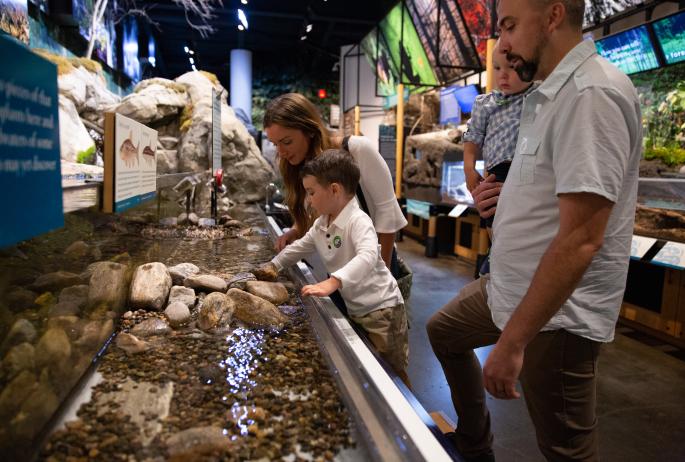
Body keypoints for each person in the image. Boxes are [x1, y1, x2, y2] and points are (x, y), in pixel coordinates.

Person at [426, 0, 642, 461]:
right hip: (507, 285)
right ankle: (474, 444)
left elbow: (582, 237)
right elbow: (546, 189)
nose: (501, 44)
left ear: (552, 16)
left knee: (566, 448)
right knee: (444, 332)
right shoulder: (546, 94)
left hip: (555, 317)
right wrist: (501, 200)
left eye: (509, 27)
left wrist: (513, 342)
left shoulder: (591, 94)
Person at [266, 149, 410, 386]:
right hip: (358, 306)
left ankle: (413, 420)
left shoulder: (358, 220)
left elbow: (368, 256)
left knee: (393, 374)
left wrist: (334, 281)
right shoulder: (323, 222)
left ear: (334, 189)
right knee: (372, 367)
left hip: (382, 310)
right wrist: (272, 265)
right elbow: (300, 247)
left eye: (312, 192)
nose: (309, 200)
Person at [263, 93, 407, 277]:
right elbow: (316, 213)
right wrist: (294, 231)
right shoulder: (298, 165)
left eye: (287, 142)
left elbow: (388, 216)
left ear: (310, 130)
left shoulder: (357, 149)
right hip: (336, 270)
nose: (281, 152)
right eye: (275, 144)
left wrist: (384, 277)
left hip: (375, 265)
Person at [463, 41, 537, 275]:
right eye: (496, 68)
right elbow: (472, 137)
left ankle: (505, 259)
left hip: (527, 170)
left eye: (512, 68)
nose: (502, 75)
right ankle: (497, 256)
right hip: (498, 170)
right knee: (491, 214)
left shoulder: (537, 96)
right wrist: (468, 168)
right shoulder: (486, 103)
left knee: (519, 223)